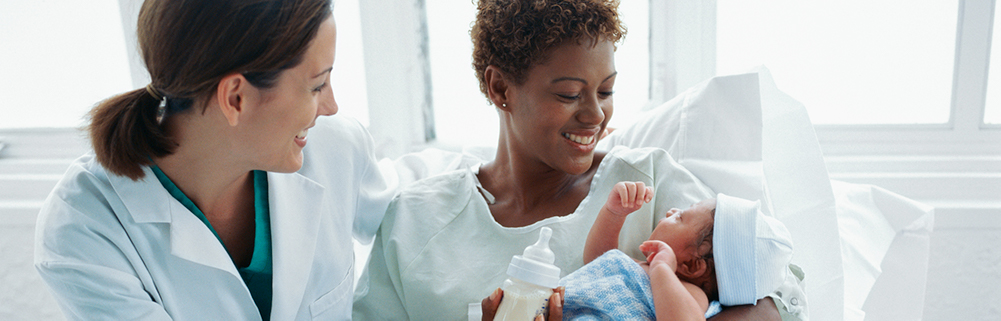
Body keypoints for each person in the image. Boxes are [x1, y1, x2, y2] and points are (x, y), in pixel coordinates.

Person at [352, 0, 718, 320]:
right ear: (500, 88)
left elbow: (769, 305)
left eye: (606, 91)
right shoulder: (414, 224)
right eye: (569, 94)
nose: (595, 115)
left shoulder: (653, 186)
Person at [34, 0, 395, 320]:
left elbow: (412, 205)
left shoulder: (334, 147)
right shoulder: (84, 227)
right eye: (317, 86)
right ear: (235, 97)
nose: (331, 107)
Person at [568, 182, 794, 320]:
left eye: (680, 217)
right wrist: (614, 214)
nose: (671, 211)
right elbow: (597, 264)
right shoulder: (642, 269)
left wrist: (662, 270)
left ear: (692, 265)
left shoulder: (690, 295)